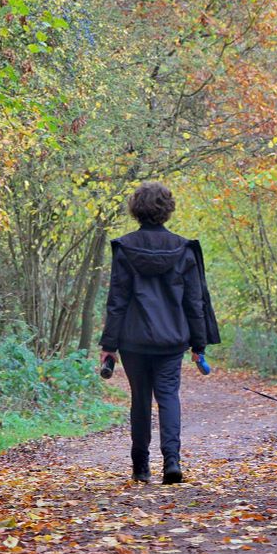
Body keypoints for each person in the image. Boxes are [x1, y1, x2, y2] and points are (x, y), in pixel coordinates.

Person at [98, 181, 218, 484]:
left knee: (140, 400)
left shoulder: (125, 248)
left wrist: (109, 344)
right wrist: (198, 345)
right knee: (168, 397)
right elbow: (194, 301)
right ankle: (172, 463)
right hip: (171, 340)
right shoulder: (184, 249)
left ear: (136, 209)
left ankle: (140, 467)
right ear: (167, 209)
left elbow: (118, 299)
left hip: (134, 341)